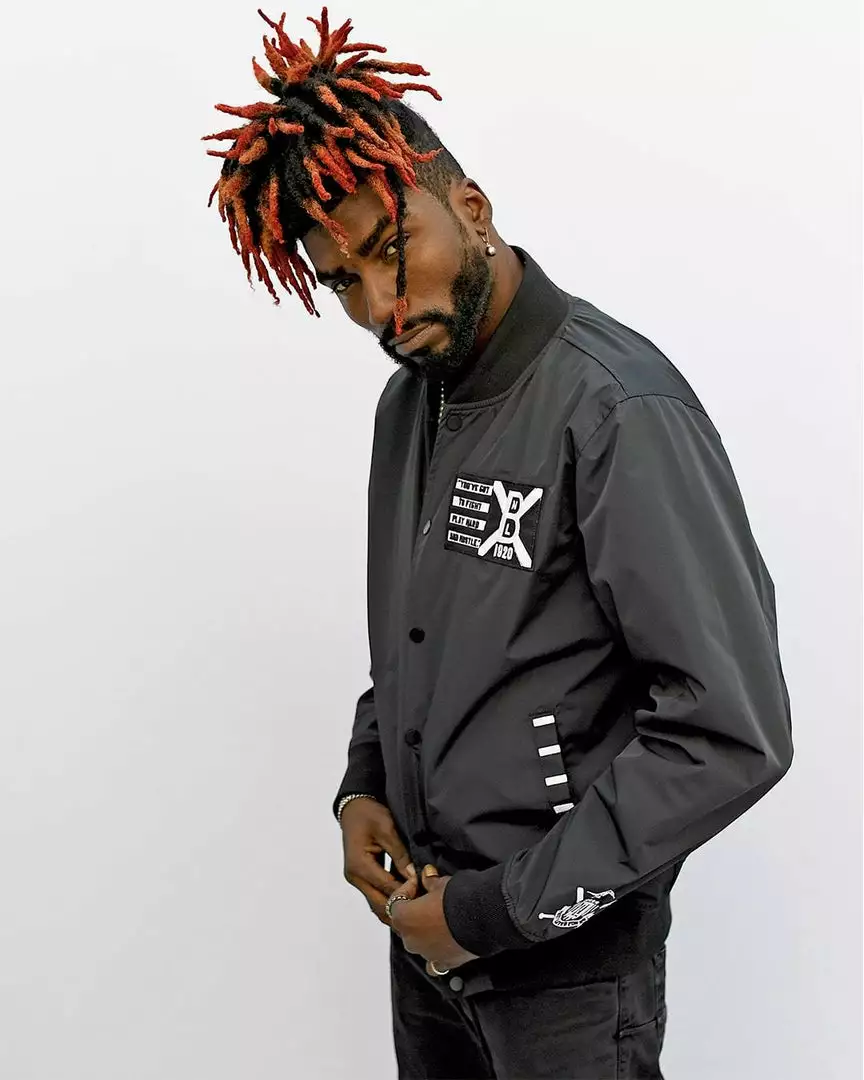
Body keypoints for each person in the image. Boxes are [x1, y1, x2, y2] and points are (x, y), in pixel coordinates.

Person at [204, 7, 794, 1078]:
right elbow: (417, 641)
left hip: (566, 976)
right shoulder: (409, 406)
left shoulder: (617, 410)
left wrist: (499, 911)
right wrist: (362, 784)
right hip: (427, 950)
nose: (383, 307)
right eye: (343, 283)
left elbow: (730, 731)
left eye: (394, 252)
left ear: (470, 207)